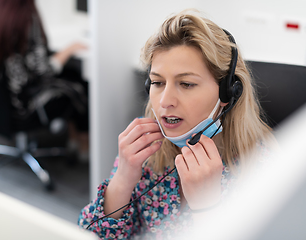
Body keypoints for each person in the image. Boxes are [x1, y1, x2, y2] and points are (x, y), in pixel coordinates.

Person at [78, 9, 274, 239]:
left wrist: (207, 208)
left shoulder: (264, 167)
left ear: (228, 92)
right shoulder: (146, 148)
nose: (164, 101)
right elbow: (90, 235)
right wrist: (122, 178)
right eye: (157, 82)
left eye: (187, 84)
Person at [0, 0, 89, 161]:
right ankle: (84, 146)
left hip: (3, 99)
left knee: (72, 73)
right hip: (25, 106)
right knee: (80, 87)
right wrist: (69, 49)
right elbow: (43, 72)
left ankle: (73, 139)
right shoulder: (25, 15)